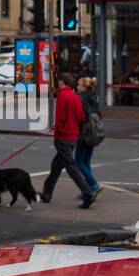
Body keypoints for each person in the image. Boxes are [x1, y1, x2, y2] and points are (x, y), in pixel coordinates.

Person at [40, 73, 98, 209]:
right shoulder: (75, 96)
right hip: (73, 137)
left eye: (59, 82)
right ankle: (46, 193)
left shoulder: (62, 95)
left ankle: (88, 193)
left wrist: (57, 130)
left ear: (61, 83)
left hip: (63, 137)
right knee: (56, 166)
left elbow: (60, 117)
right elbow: (81, 117)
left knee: (71, 168)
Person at [75, 75, 103, 197]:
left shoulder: (80, 98)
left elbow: (81, 117)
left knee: (79, 162)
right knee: (86, 162)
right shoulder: (94, 97)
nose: (77, 87)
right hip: (94, 132)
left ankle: (94, 185)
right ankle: (87, 192)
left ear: (84, 87)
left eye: (79, 85)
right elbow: (99, 114)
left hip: (84, 133)